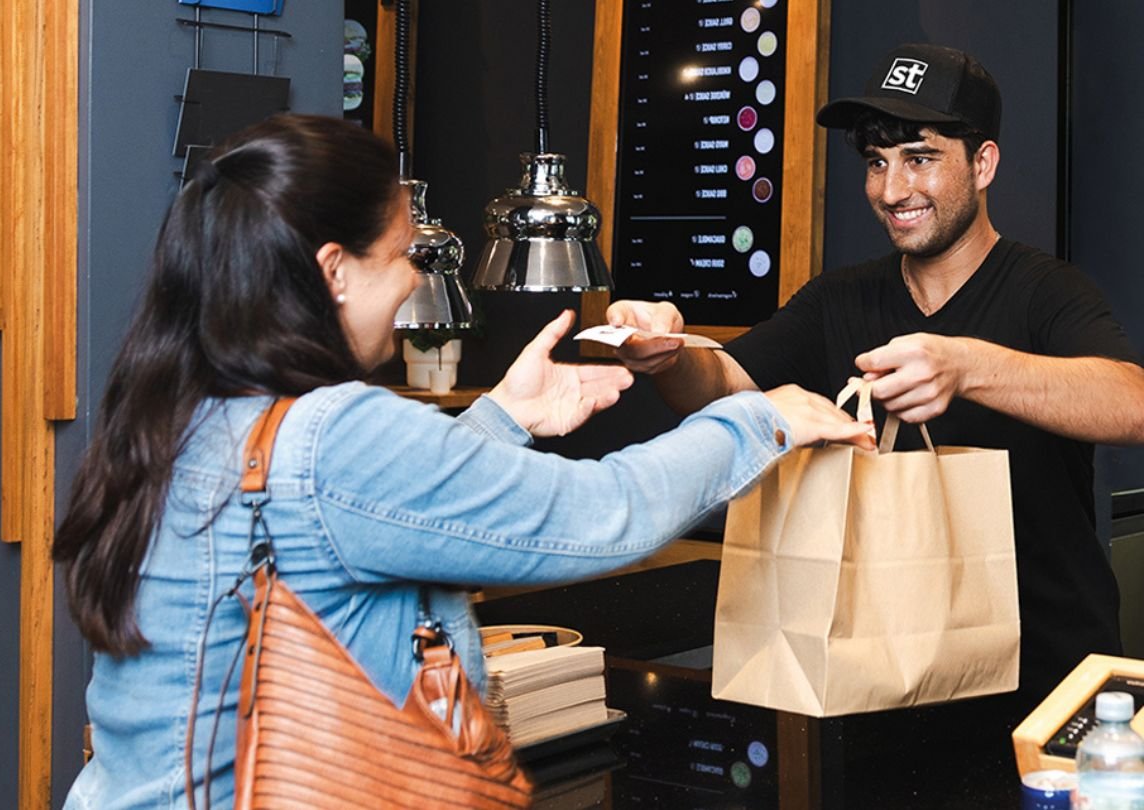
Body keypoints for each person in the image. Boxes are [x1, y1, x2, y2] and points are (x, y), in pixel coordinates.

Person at [53, 114, 870, 809]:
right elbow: (604, 513)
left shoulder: (181, 413)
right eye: (404, 257)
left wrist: (504, 417)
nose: (414, 285)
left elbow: (350, 515)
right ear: (334, 272)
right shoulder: (336, 433)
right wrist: (759, 420)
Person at [611, 41, 1144, 731]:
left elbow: (1131, 403)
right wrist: (669, 355)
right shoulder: (839, 300)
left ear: (983, 164)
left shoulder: (1048, 291)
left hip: (1048, 687)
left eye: (920, 158)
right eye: (876, 162)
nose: (892, 191)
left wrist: (967, 367)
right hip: (881, 689)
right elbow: (722, 383)